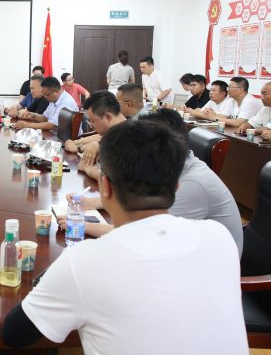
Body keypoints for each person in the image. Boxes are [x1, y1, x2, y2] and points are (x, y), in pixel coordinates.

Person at [2, 120, 250, 355]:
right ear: (177, 187)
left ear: (105, 186)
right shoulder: (219, 237)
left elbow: (13, 335)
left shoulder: (85, 260)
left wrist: (56, 278)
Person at [61, 109, 244, 254]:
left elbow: (143, 234)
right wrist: (92, 203)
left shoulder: (193, 184)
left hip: (199, 268)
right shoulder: (171, 166)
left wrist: (83, 225)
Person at [76, 91, 127, 178]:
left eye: (92, 121)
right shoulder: (117, 133)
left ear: (108, 117)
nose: (91, 126)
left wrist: (87, 168)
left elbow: (117, 179)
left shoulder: (129, 139)